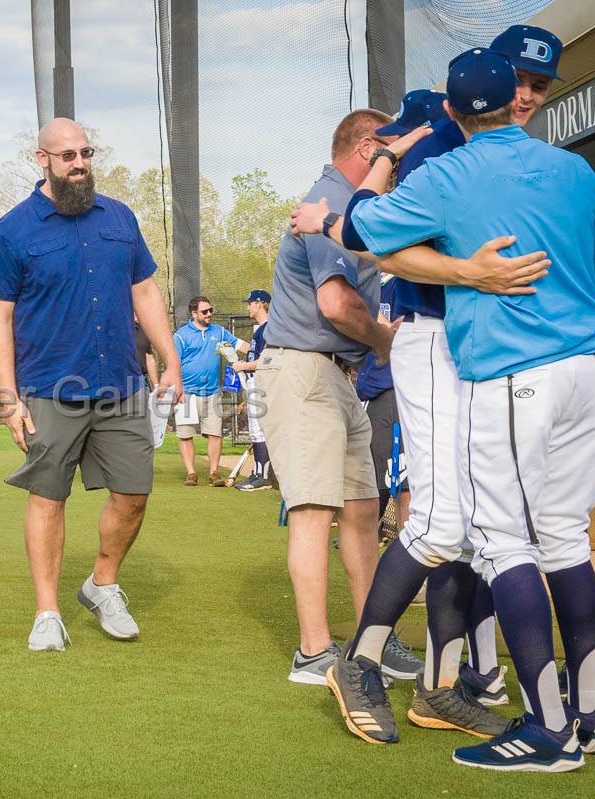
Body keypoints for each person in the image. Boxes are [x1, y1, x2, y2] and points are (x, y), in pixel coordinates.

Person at [298, 48, 595, 770]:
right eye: (527, 82)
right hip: (451, 341)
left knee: (479, 527)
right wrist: (391, 160)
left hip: (499, 353)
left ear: (459, 104)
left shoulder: (487, 157)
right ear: (507, 92)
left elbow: (364, 230)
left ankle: (452, 683)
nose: (534, 93)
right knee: (456, 518)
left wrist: (355, 218)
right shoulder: (452, 136)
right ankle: (367, 661)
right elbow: (370, 239)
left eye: (543, 83)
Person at [0, 117, 182, 652]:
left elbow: (144, 292)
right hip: (48, 386)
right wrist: (7, 396)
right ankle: (47, 611)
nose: (79, 163)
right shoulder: (14, 229)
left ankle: (102, 582)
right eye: (67, 154)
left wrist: (171, 358)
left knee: (134, 494)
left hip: (122, 383)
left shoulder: (119, 217)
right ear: (41, 159)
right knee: (48, 498)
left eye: (85, 153)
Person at [255, 108, 423, 686]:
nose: (397, 170)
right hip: (304, 372)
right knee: (314, 512)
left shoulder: (351, 208)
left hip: (335, 377)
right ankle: (313, 652)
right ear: (370, 148)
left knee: (361, 511)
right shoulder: (330, 199)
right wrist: (386, 342)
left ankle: (372, 641)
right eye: (393, 155)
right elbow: (335, 305)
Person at [353, 275, 411, 531]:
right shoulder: (373, 285)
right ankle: (369, 533)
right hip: (373, 391)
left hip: (397, 389)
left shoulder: (405, 282)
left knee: (402, 482)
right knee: (380, 476)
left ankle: (409, 550)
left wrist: (375, 320)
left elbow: (405, 334)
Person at [173, 296, 248, 486]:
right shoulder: (181, 335)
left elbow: (241, 346)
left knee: (215, 434)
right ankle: (191, 473)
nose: (209, 314)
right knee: (185, 434)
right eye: (205, 311)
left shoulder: (219, 331)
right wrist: (178, 390)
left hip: (213, 393)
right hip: (187, 394)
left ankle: (214, 474)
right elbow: (174, 364)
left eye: (210, 310)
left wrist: (263, 351)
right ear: (194, 313)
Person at [231, 289, 273, 492]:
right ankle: (258, 473)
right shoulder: (261, 329)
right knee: (256, 430)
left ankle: (263, 476)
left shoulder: (269, 328)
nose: (247, 306)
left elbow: (266, 360)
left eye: (250, 303)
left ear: (259, 303)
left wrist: (242, 366)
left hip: (262, 383)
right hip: (255, 383)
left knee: (260, 430)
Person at [135, 321, 170, 449]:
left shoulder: (144, 331)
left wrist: (156, 385)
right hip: (123, 380)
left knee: (144, 420)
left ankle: (142, 450)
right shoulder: (120, 328)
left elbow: (149, 358)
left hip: (142, 380)